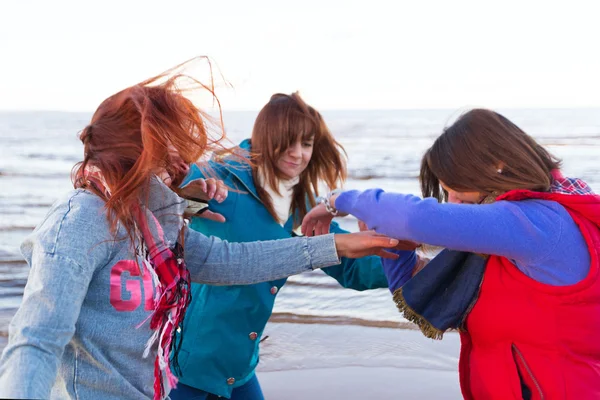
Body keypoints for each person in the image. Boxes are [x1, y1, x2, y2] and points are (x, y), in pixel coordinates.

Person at [0, 63, 400, 400]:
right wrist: (188, 199)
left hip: (201, 371)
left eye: (307, 144)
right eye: (169, 149)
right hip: (186, 364)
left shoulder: (150, 222)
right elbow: (37, 339)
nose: (180, 162)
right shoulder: (83, 221)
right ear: (137, 151)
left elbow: (228, 259)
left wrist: (352, 250)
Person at [301, 108, 600, 399]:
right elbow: (415, 281)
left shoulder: (539, 223)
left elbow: (413, 218)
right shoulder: (506, 238)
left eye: (454, 189)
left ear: (495, 164)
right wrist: (394, 245)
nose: (453, 203)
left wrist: (340, 200)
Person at [169, 92, 402, 400]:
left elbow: (352, 269)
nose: (298, 154)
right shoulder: (220, 179)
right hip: (190, 366)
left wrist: (406, 261)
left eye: (306, 144)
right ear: (267, 138)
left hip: (240, 367)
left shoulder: (299, 204)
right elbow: (169, 195)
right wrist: (179, 188)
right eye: (288, 142)